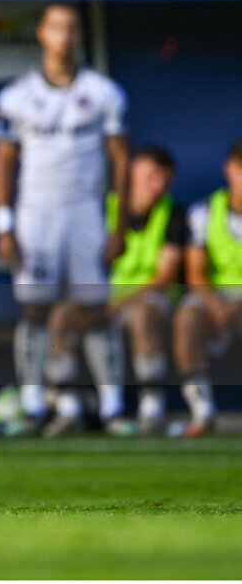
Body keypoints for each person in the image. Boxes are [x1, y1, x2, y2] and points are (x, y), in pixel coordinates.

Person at [0, 3, 131, 437]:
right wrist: (4, 223)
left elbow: (120, 160)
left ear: (80, 36)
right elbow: (3, 162)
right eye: (56, 27)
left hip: (86, 210)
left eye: (71, 28)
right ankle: (34, 402)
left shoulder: (104, 92)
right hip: (35, 212)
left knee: (93, 307)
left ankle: (113, 406)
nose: (64, 35)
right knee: (34, 306)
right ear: (41, 34)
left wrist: (120, 224)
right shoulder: (16, 96)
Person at [106, 146, 186, 435]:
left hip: (152, 302)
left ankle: (152, 405)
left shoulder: (172, 214)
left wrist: (119, 303)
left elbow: (163, 277)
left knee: (143, 312)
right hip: (105, 303)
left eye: (164, 179)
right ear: (131, 174)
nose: (158, 186)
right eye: (151, 177)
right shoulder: (106, 208)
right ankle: (82, 406)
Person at [172, 137, 242, 437]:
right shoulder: (204, 211)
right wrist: (216, 305)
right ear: (230, 170)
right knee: (187, 317)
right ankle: (202, 411)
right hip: (216, 295)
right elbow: (196, 273)